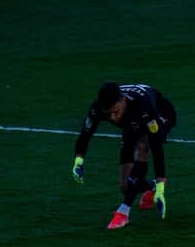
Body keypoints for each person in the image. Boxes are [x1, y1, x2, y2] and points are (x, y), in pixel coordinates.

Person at [72, 82, 176, 229]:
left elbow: (156, 146)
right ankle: (149, 187)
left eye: (116, 111)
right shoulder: (98, 108)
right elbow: (85, 134)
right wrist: (79, 160)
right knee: (126, 186)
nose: (113, 118)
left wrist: (161, 187)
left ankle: (123, 212)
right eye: (108, 114)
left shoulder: (142, 105)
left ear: (123, 101)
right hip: (132, 121)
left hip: (159, 113)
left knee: (143, 146)